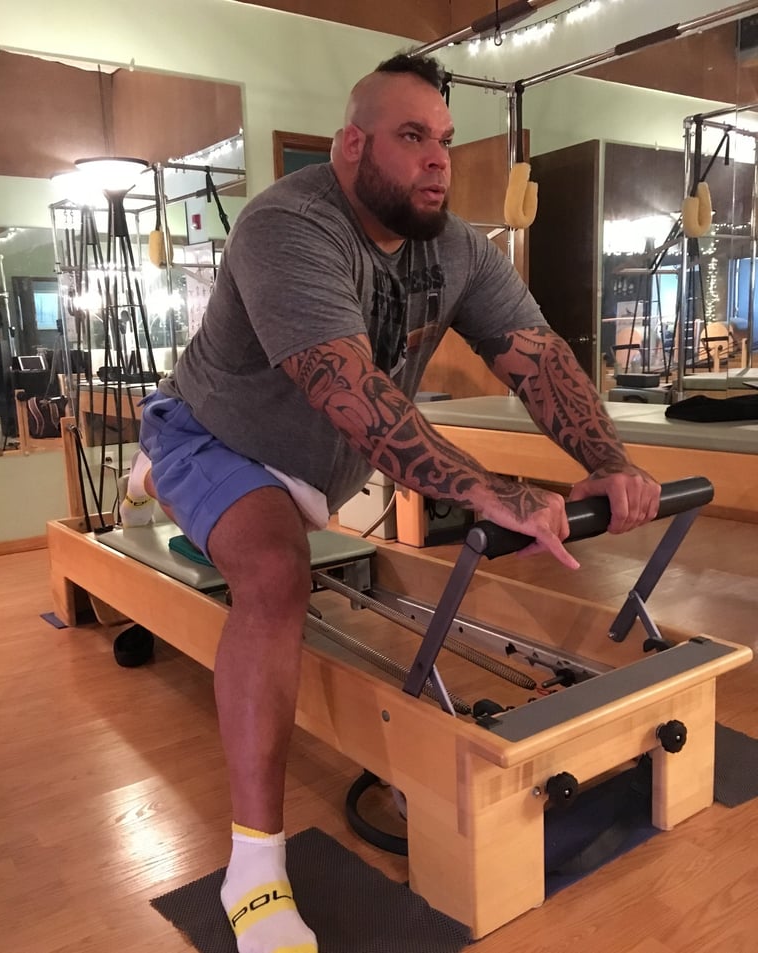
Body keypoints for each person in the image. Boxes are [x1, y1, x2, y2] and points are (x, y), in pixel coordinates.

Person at [121, 51, 661, 953]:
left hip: (315, 470)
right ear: (351, 146)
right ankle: (253, 871)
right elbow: (352, 394)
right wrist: (492, 491)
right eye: (413, 137)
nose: (439, 158)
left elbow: (538, 357)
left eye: (444, 138)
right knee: (275, 572)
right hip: (216, 435)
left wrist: (608, 460)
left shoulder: (458, 249)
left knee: (305, 529)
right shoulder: (287, 225)